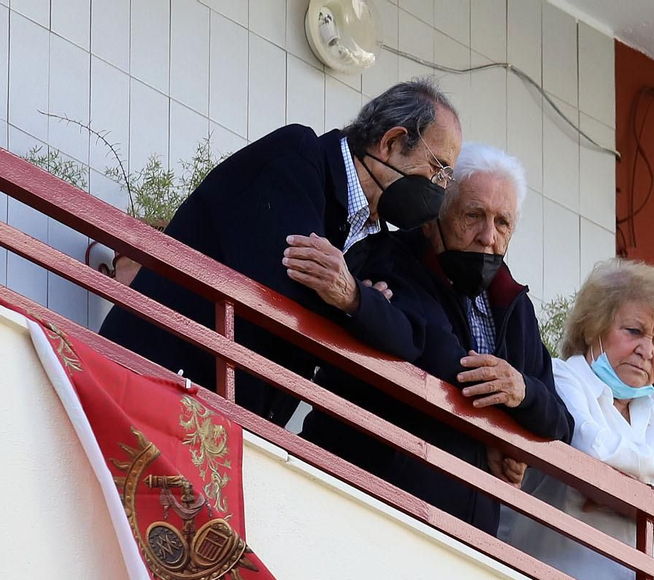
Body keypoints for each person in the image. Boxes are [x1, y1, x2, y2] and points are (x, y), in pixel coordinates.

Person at [100, 79, 463, 424]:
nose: (440, 189)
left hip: (229, 423)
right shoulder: (296, 157)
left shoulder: (378, 241)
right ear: (392, 142)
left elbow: (411, 340)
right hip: (147, 378)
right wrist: (364, 310)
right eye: (438, 169)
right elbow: (287, 288)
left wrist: (353, 297)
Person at [301, 142, 572, 534]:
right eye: (473, 215)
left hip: (466, 536)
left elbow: (560, 424)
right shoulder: (389, 258)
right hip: (368, 504)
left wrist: (522, 392)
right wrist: (497, 427)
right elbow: (435, 355)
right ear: (433, 217)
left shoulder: (514, 304)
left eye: (502, 223)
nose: (487, 237)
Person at [505, 259, 654, 580]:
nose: (647, 350)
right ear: (595, 327)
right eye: (634, 331)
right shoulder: (561, 377)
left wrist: (631, 494)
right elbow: (593, 450)